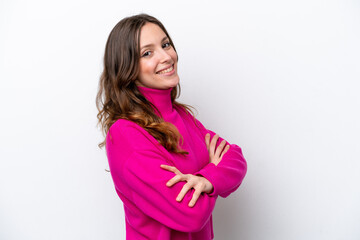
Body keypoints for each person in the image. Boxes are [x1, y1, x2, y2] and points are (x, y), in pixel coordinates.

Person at [96, 13, 247, 240]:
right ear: (127, 68)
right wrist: (214, 174)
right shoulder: (125, 134)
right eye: (148, 53)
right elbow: (191, 214)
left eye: (166, 44)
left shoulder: (181, 116)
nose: (166, 56)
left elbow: (235, 159)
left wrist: (206, 180)